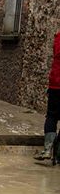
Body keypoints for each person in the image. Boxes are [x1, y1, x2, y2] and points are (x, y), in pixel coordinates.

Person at [34, 30, 60, 163]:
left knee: (52, 116)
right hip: (56, 84)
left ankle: (48, 149)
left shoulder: (58, 38)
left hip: (56, 85)